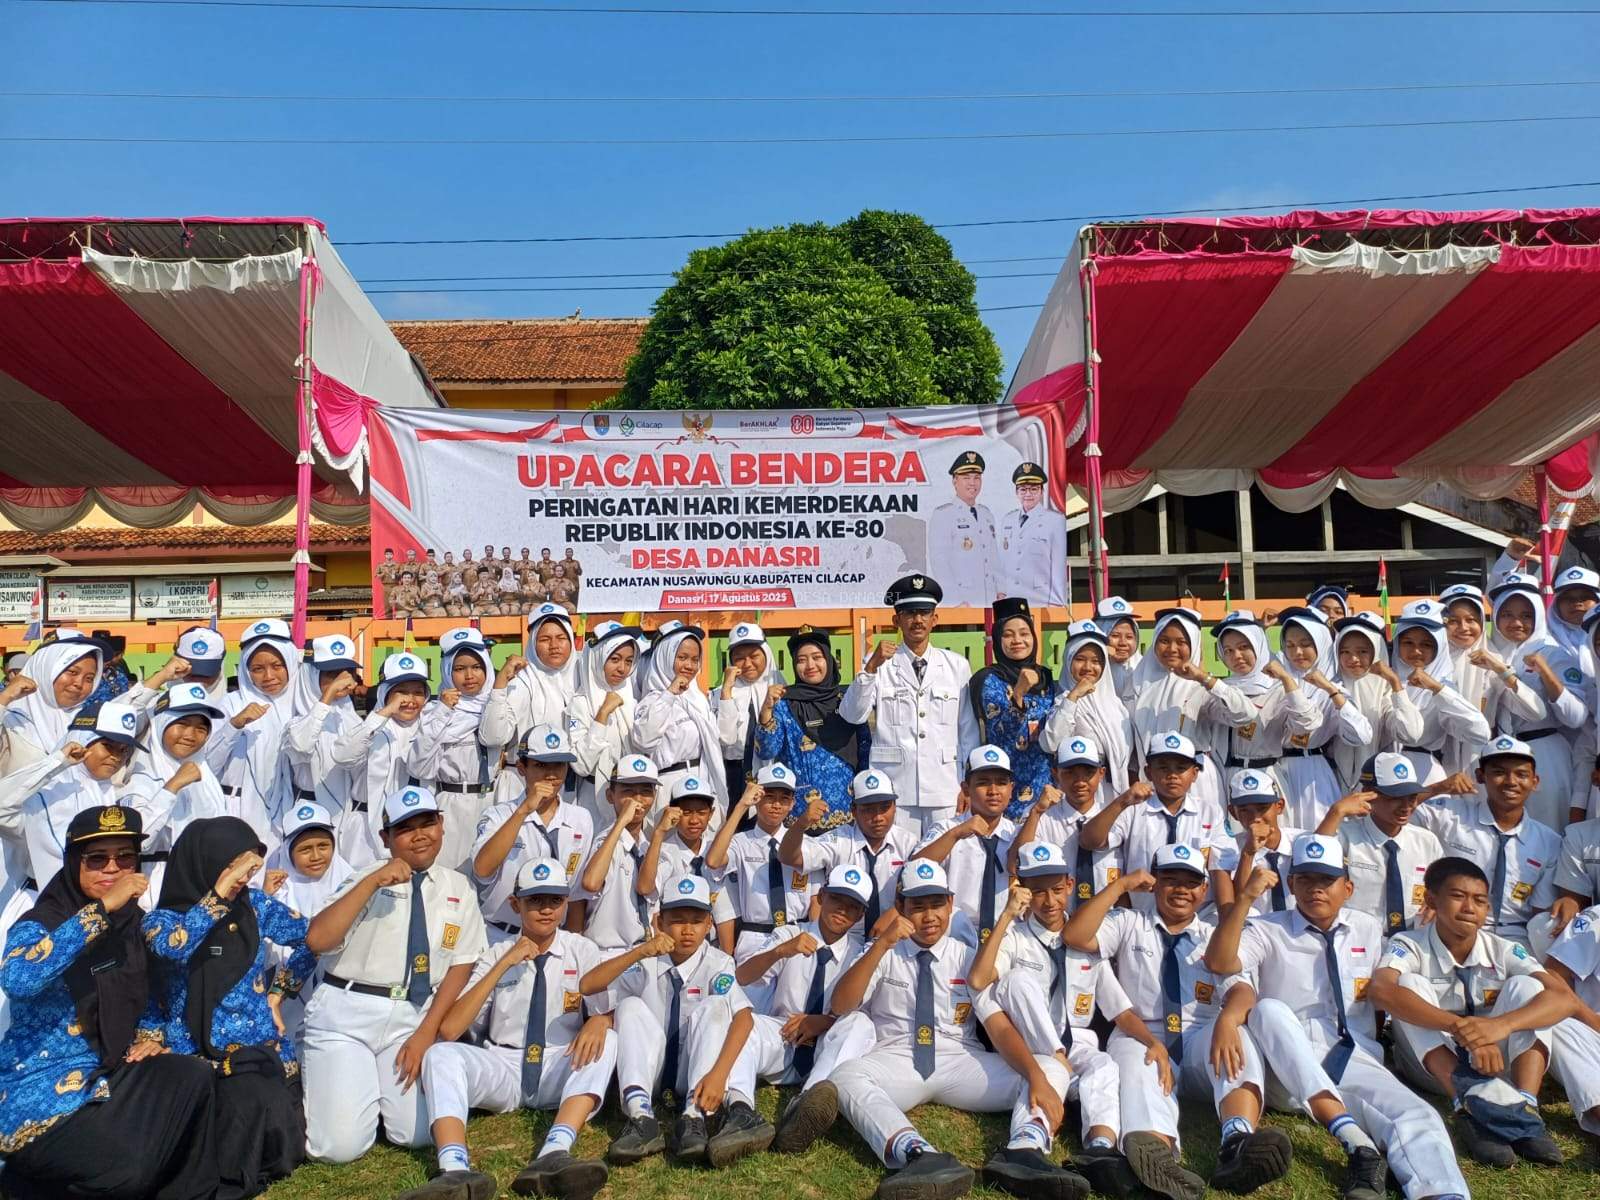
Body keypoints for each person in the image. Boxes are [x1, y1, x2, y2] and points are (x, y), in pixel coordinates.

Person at [1204, 833, 1468, 1200]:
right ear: (1292, 884)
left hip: (1352, 1053)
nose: (1316, 890)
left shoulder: (1366, 927)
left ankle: (1442, 1193)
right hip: (1287, 1062)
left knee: (1417, 1114)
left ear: (1348, 887)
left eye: (1327, 880)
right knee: (1269, 1009)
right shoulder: (1267, 928)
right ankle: (1355, 1141)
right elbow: (1218, 962)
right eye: (1306, 880)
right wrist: (1246, 898)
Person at [825, 858, 1087, 1200]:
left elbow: (998, 1025)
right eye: (918, 906)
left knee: (1049, 1066)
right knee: (845, 1076)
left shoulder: (967, 956)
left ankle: (1024, 1152)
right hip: (899, 1059)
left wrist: (1036, 1076)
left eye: (937, 904)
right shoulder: (884, 951)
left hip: (961, 1061)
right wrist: (881, 945)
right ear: (900, 906)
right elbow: (841, 1005)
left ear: (951, 904)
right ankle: (917, 1154)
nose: (929, 916)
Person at [0, 805, 221, 1200]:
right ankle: (27, 1181)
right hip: (43, 1086)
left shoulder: (133, 922)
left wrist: (151, 1035)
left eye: (125, 858)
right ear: (73, 863)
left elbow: (147, 991)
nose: (112, 869)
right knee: (126, 1171)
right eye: (97, 859)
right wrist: (99, 912)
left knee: (192, 1075)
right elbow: (19, 980)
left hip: (111, 1068)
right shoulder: (42, 921)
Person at [1065, 845, 1286, 1198]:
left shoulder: (1212, 935)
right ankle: (1159, 1155)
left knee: (1238, 1037)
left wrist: (1228, 1021)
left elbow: (1242, 990)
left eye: (1191, 882)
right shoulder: (1129, 923)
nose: (1181, 889)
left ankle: (1237, 1140)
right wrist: (1120, 885)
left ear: (1203, 890)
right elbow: (1075, 935)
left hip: (1200, 1038)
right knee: (1136, 1062)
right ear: (1154, 884)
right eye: (1170, 880)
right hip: (1144, 1033)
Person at [402, 858, 616, 1200]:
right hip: (504, 1064)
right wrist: (504, 964)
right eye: (535, 900)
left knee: (608, 1037)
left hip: (559, 1063)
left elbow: (605, 1007)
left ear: (565, 903)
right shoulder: (496, 952)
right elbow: (452, 1028)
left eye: (555, 900)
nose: (545, 909)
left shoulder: (581, 949)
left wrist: (601, 1020)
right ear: (516, 904)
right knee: (441, 1054)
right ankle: (454, 1169)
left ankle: (555, 1151)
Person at [302, 785, 487, 1165]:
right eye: (405, 828)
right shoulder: (365, 877)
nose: (419, 835)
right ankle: (338, 1089)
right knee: (339, 1149)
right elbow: (318, 939)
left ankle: (366, 1092)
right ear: (386, 838)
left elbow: (462, 963)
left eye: (427, 823)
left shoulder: (457, 887)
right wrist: (373, 881)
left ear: (442, 825)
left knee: (417, 1135)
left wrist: (426, 1033)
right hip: (347, 1015)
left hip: (410, 1017)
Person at [143, 816, 312, 1199]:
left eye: (248, 869)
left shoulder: (254, 907)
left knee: (268, 1121)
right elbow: (176, 946)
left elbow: (313, 938)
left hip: (257, 1051)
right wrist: (218, 895)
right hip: (193, 1055)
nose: (241, 879)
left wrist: (279, 992)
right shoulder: (161, 920)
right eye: (231, 867)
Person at [1369, 856, 1573, 1168]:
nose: (1469, 908)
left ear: (1488, 909)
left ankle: (1526, 1104)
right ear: (1431, 899)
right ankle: (1466, 1104)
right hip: (1434, 1067)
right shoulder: (1409, 943)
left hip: (1495, 1062)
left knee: (1528, 988)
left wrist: (1500, 1027)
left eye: (1479, 900)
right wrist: (1460, 1028)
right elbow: (1381, 990)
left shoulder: (1501, 948)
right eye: (1457, 896)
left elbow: (1562, 997)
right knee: (1408, 985)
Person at [969, 843, 1140, 1199]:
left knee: (1105, 1064)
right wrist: (1005, 917)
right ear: (1022, 890)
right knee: (1018, 982)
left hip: (1076, 1045)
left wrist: (1154, 1044)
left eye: (1057, 889)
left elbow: (1119, 1009)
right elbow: (978, 980)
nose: (1049, 901)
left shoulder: (1085, 941)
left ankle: (1099, 1149)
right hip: (1031, 1047)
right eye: (1038, 891)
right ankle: (1025, 1145)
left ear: (1071, 884)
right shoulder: (1014, 938)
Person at [581, 874, 774, 1168]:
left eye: (696, 921)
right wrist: (638, 952)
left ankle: (692, 1119)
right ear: (659, 922)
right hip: (652, 1070)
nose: (687, 930)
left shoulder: (718, 962)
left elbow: (744, 1019)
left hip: (695, 1070)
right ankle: (641, 1116)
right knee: (630, 1005)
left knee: (715, 1005)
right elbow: (588, 986)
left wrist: (720, 1075)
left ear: (709, 925)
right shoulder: (646, 959)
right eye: (677, 920)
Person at [737, 863, 879, 1154]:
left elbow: (860, 1011)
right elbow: (743, 977)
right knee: (743, 1026)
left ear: (861, 915)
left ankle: (805, 1104)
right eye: (837, 899)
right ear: (821, 896)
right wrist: (780, 951)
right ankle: (739, 1111)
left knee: (860, 1024)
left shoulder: (860, 954)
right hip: (784, 1033)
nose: (842, 910)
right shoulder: (790, 933)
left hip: (827, 1049)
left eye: (852, 907)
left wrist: (823, 1022)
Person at [841, 575, 978, 838]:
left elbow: (967, 729)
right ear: (897, 620)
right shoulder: (880, 662)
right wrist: (870, 669)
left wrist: (967, 784)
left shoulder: (955, 665)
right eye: (909, 613)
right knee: (897, 864)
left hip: (944, 786)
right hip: (895, 788)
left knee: (947, 859)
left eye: (924, 613)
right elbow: (853, 715)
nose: (917, 620)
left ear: (934, 619)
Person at [1411, 735, 1559, 946]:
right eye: (1499, 772)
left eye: (1521, 774)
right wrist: (1437, 788)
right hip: (1451, 928)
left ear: (1535, 782)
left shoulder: (1549, 842)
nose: (1511, 781)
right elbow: (1391, 812)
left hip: (1514, 935)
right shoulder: (1450, 815)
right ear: (1480, 776)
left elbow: (1540, 913)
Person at [0, 699, 155, 892]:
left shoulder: (108, 794)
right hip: (40, 902)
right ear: (82, 741)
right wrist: (57, 762)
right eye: (108, 745)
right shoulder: (43, 794)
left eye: (124, 750)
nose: (116, 756)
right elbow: (3, 807)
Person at [1479, 573, 1588, 831]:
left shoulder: (1553, 653)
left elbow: (1576, 717)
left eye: (1526, 615)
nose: (1517, 622)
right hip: (1498, 755)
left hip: (1545, 754)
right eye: (1507, 614)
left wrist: (1545, 672)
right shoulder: (1488, 653)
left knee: (1546, 831)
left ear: (1538, 617)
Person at [1078, 732, 1228, 917]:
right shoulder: (1133, 808)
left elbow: (1221, 870)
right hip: (1143, 916)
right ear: (1148, 772)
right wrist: (1122, 801)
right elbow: (1089, 841)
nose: (1172, 775)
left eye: (1181, 768)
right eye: (1163, 768)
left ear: (1195, 773)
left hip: (1198, 917)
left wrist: (1227, 919)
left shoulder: (1210, 813)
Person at [1126, 607, 1256, 817]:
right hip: (1150, 780)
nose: (1172, 648)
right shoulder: (1136, 684)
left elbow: (1245, 714)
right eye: (1164, 640)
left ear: (1194, 644)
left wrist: (1204, 679)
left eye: (1182, 642)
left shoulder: (1201, 687)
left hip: (1196, 783)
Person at [472, 725, 593, 944]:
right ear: (521, 767)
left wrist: (573, 945)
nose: (551, 774)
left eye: (559, 765)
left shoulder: (581, 818)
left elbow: (576, 895)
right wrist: (524, 811)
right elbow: (482, 869)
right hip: (502, 936)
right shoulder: (498, 815)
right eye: (540, 765)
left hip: (557, 939)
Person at [1267, 608, 1373, 830]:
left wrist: (1330, 689)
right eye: (1290, 645)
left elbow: (1361, 735)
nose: (1297, 652)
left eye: (1306, 644)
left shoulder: (1335, 688)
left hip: (1313, 772)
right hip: (1275, 769)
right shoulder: (1274, 682)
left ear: (1322, 644)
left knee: (1317, 834)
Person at [325, 651, 432, 868]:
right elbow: (343, 756)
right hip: (365, 831)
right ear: (384, 693)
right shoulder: (368, 728)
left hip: (414, 828)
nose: (409, 700)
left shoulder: (431, 728)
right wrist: (385, 713)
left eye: (417, 693)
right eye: (401, 692)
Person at [756, 627, 870, 831]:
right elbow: (767, 751)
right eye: (801, 660)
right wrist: (766, 711)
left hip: (845, 815)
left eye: (817, 657)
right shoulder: (784, 703)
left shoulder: (846, 702)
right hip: (799, 816)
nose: (810, 665)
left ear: (828, 659)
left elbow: (865, 750)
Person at [206, 619, 305, 851]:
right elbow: (209, 763)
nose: (268, 676)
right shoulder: (231, 704)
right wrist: (235, 725)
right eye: (258, 669)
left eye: (277, 666)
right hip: (239, 810)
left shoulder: (303, 705)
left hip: (293, 812)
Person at [1316, 753, 1442, 935]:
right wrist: (1336, 812)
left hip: (1411, 941)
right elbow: (1313, 863)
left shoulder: (1427, 841)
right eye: (1395, 797)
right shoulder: (1345, 835)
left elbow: (1443, 887)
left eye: (1412, 797)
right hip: (1355, 939)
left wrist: (1437, 903)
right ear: (1368, 794)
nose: (1406, 806)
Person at [779, 768, 916, 934]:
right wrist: (801, 824)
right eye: (868, 809)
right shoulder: (838, 839)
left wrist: (893, 914)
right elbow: (788, 857)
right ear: (853, 811)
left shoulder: (908, 842)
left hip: (891, 934)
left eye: (884, 807)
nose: (878, 817)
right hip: (844, 938)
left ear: (895, 807)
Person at [409, 627, 500, 872]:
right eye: (459, 669)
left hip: (493, 800)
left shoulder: (498, 704)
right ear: (448, 671)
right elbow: (419, 766)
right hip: (452, 804)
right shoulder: (434, 711)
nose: (469, 676)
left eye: (476, 667)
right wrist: (444, 712)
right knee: (453, 878)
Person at [126, 682, 229, 898]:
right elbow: (138, 841)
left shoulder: (206, 776)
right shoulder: (141, 777)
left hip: (203, 886)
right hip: (156, 888)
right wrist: (172, 787)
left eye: (201, 728)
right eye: (181, 724)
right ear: (162, 723)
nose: (191, 735)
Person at [916, 745, 1020, 946]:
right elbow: (915, 868)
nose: (993, 791)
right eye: (983, 783)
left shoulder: (1016, 834)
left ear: (1011, 789)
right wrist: (956, 834)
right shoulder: (946, 828)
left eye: (1001, 783)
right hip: (955, 935)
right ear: (966, 789)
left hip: (1006, 936)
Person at [708, 764, 811, 962]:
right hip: (755, 937)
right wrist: (741, 806)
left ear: (792, 804)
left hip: (797, 932)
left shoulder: (804, 843)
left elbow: (814, 899)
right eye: (769, 797)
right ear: (757, 799)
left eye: (784, 799)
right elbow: (714, 861)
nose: (776, 805)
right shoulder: (741, 842)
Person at [1009, 736, 1122, 912]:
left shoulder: (1116, 816)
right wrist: (1037, 812)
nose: (1080, 781)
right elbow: (1015, 863)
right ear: (1055, 773)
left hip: (1108, 922)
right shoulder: (1042, 814)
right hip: (1056, 920)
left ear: (1101, 773)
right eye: (1070, 772)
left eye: (1088, 772)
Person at [968, 597, 1056, 819]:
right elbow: (1000, 733)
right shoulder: (989, 678)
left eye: (1024, 633)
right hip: (1004, 790)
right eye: (1008, 635)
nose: (1017, 640)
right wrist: (1018, 693)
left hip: (1047, 787)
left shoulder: (1046, 676)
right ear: (997, 640)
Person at [1390, 599, 1491, 789]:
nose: (1416, 651)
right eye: (1408, 643)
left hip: (1424, 775)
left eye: (1427, 645)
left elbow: (1480, 733)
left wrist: (1436, 688)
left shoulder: (1443, 687)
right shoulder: (1383, 679)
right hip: (1383, 771)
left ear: (1439, 647)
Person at [631, 625, 728, 813]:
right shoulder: (652, 700)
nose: (689, 666)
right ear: (665, 658)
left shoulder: (698, 699)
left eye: (695, 659)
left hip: (702, 783)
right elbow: (644, 740)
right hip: (669, 788)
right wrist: (669, 694)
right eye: (682, 658)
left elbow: (719, 740)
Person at [1040, 620, 1134, 806]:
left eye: (1096, 661)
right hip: (1079, 794)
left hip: (1113, 793)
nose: (1088, 667)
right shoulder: (1064, 702)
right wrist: (1074, 696)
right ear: (1068, 660)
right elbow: (1050, 743)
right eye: (1080, 659)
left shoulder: (1115, 704)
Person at [638, 775, 736, 949]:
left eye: (701, 812)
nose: (694, 820)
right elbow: (646, 889)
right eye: (686, 812)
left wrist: (726, 958)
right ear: (673, 812)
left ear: (711, 813)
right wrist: (659, 832)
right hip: (673, 945)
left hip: (711, 945)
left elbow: (724, 911)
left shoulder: (717, 849)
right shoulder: (663, 851)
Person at [575, 754, 659, 954]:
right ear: (610, 795)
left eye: (645, 792)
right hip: (605, 952)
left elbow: (652, 906)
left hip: (643, 951)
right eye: (628, 791)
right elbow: (590, 883)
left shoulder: (650, 845)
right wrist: (622, 821)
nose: (637, 800)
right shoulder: (603, 841)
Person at [1329, 612, 1419, 790]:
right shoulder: (1330, 687)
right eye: (1345, 651)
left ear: (1377, 653)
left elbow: (1411, 734)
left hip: (1377, 783)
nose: (1353, 659)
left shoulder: (1384, 691)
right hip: (1331, 780)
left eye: (1362, 652)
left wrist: (1394, 682)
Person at [1535, 899, 1600, 1138]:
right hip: (1590, 1033)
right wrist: (1591, 1020)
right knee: (1554, 1024)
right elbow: (1552, 976)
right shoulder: (1596, 919)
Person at [480, 603, 580, 757]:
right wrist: (500, 686)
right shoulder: (521, 681)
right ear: (533, 643)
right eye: (545, 639)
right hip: (527, 776)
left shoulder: (582, 677)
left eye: (561, 638)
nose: (554, 646)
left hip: (573, 777)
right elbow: (493, 737)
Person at [566, 623, 640, 828]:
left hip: (630, 795)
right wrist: (602, 715)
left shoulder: (631, 702)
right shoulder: (581, 702)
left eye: (628, 661)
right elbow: (581, 764)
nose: (622, 668)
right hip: (594, 798)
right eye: (614, 659)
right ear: (597, 659)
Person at [0, 633, 104, 772]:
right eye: (72, 672)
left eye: (89, 678)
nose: (79, 683)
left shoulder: (87, 725)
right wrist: (4, 698)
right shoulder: (10, 721)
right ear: (45, 670)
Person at [1212, 768, 1304, 917]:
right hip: (1253, 930)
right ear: (1233, 812)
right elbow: (1235, 907)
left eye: (1262, 808)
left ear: (1279, 806)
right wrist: (1248, 854)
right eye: (1244, 810)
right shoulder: (1226, 849)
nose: (1255, 817)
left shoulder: (1301, 841)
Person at [716, 623, 784, 803]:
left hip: (771, 773)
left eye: (754, 656)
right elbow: (725, 738)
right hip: (733, 774)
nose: (747, 664)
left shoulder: (780, 689)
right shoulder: (719, 693)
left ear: (766, 654)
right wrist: (726, 694)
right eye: (739, 658)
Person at [926, 450, 998, 607]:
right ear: (955, 481)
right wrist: (955, 601)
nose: (972, 483)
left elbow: (993, 557)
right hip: (963, 601)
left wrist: (1000, 591)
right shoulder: (944, 514)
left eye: (977, 478)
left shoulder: (987, 514)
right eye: (966, 478)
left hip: (989, 599)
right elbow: (939, 562)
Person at [995, 461, 1068, 607]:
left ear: (1042, 492)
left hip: (1039, 597)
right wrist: (1001, 589)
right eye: (1023, 489)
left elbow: (1058, 565)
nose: (1028, 494)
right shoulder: (1008, 519)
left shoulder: (1055, 520)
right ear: (1017, 492)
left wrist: (1057, 602)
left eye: (1034, 489)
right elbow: (1002, 559)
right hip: (1010, 596)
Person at [1438, 584, 1494, 770]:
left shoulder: (1495, 660)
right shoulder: (1434, 662)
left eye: (1471, 620)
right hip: (1440, 751)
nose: (1463, 628)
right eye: (1453, 621)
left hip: (1483, 752)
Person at [1094, 597, 1143, 704]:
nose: (1123, 643)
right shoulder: (1091, 671)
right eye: (1115, 635)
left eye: (1129, 637)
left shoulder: (1144, 670)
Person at [1547, 564, 1600, 658]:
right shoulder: (1544, 642)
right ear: (1556, 605)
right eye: (1568, 598)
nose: (1577, 603)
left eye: (1586, 597)